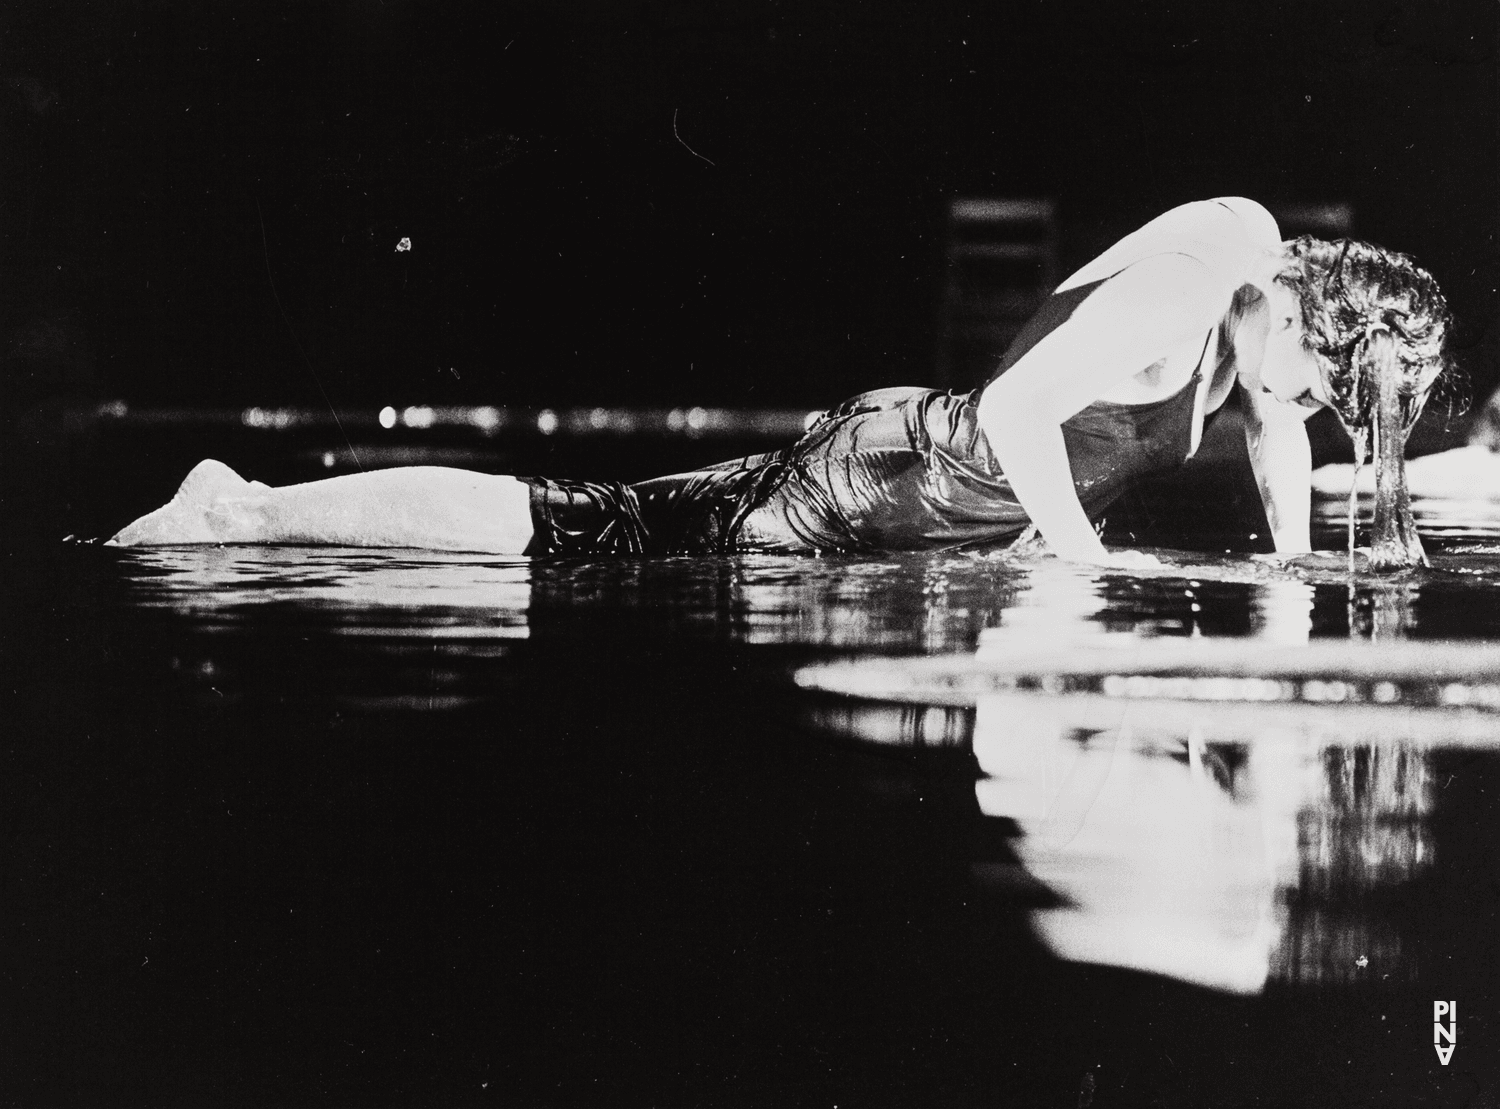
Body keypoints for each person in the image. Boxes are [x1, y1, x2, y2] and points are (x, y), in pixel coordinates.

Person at [109, 197, 1451, 567]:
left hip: (906, 486)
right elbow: (1011, 412)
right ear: (1320, 330)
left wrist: (1294, 573)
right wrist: (1090, 566)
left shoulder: (1255, 268)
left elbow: (1281, 430)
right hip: (882, 485)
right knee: (583, 530)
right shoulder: (1187, 293)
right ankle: (246, 513)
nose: (1325, 420)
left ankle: (250, 503)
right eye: (1339, 391)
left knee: (598, 520)